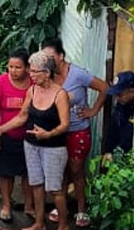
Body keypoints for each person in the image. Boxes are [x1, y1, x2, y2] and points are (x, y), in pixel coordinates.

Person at [0, 51, 70, 230]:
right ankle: (39, 223)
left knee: (55, 189)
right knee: (36, 184)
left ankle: (63, 225)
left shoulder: (60, 94)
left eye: (35, 72)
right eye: (31, 71)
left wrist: (48, 134)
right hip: (31, 145)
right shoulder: (32, 90)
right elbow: (22, 116)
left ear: (47, 73)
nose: (31, 75)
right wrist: (0, 129)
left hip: (53, 147)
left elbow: (65, 124)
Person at [42, 38, 108, 228]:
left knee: (77, 171)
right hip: (57, 132)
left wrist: (93, 110)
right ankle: (61, 207)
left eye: (50, 56)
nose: (48, 60)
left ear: (61, 56)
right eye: (44, 57)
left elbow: (104, 88)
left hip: (78, 130)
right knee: (60, 171)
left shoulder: (77, 74)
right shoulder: (47, 76)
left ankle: (81, 209)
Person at [0, 48, 35, 222]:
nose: (13, 71)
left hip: (30, 137)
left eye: (18, 67)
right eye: (10, 67)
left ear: (27, 68)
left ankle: (29, 205)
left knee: (29, 174)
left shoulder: (34, 83)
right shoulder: (0, 83)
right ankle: (6, 205)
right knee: (5, 173)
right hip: (6, 136)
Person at [104, 71, 134, 155]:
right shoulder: (121, 106)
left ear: (132, 92)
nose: (117, 98)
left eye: (120, 95)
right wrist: (108, 150)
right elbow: (113, 129)